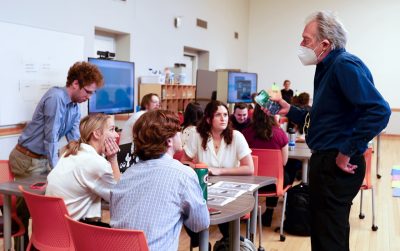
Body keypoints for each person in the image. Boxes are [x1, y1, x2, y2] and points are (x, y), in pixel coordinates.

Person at [264, 11, 391, 251]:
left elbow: (379, 111)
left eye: (306, 39)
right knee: (330, 234)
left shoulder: (343, 65)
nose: (301, 44)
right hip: (327, 160)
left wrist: (347, 151)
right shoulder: (326, 68)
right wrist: (290, 109)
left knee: (327, 239)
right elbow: (321, 118)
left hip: (337, 162)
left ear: (325, 44)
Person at [8, 61, 103, 247]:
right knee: (35, 208)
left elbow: (75, 139)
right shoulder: (56, 98)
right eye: (88, 92)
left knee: (42, 205)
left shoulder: (75, 106)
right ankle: (27, 245)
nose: (89, 97)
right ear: (75, 84)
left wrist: (88, 160)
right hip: (27, 158)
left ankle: (38, 244)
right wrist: (56, 169)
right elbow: (50, 138)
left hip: (42, 158)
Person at [110, 110, 209, 250]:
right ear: (169, 141)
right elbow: (200, 223)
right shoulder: (183, 175)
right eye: (178, 131)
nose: (181, 134)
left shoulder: (126, 175)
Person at [182, 100, 254, 243]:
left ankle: (229, 242)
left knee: (228, 225)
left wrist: (219, 171)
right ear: (208, 119)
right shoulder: (197, 135)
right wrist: (199, 168)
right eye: (218, 115)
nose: (223, 119)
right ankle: (202, 242)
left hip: (230, 190)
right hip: (204, 188)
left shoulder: (236, 136)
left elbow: (249, 168)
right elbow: (184, 162)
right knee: (186, 209)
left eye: (226, 115)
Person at [46, 113, 120, 226]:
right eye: (112, 130)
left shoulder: (69, 152)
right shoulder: (97, 163)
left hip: (50, 230)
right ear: (97, 133)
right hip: (70, 231)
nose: (116, 135)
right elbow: (119, 196)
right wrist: (113, 160)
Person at [242, 104, 291, 226]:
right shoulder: (280, 134)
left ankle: (247, 211)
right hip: (273, 185)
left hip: (250, 183)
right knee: (284, 174)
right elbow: (284, 162)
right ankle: (269, 210)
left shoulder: (245, 133)